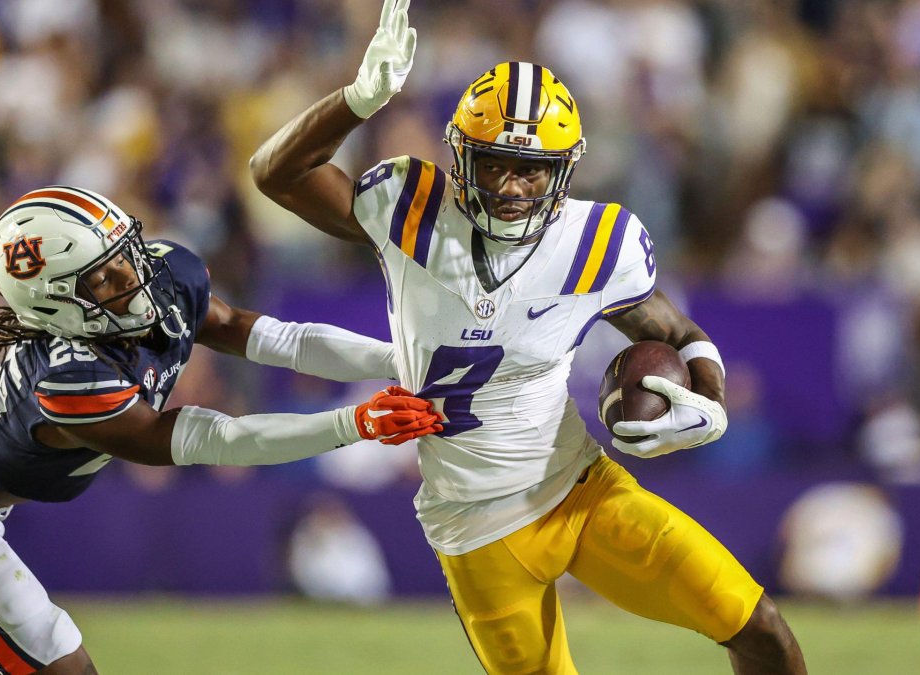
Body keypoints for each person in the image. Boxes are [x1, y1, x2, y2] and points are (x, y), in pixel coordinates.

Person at [249, 1, 807, 673]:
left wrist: (709, 403)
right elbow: (275, 173)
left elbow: (677, 330)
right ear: (460, 158)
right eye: (494, 165)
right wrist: (359, 100)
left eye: (533, 168)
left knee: (762, 629)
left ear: (565, 170)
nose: (513, 186)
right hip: (475, 526)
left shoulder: (596, 241)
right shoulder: (411, 210)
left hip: (582, 488)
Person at [0, 184, 441, 675]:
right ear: (57, 306)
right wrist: (352, 422)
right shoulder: (73, 382)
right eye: (104, 277)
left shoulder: (157, 274)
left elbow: (273, 338)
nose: (133, 276)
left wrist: (402, 359)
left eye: (124, 253)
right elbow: (217, 439)